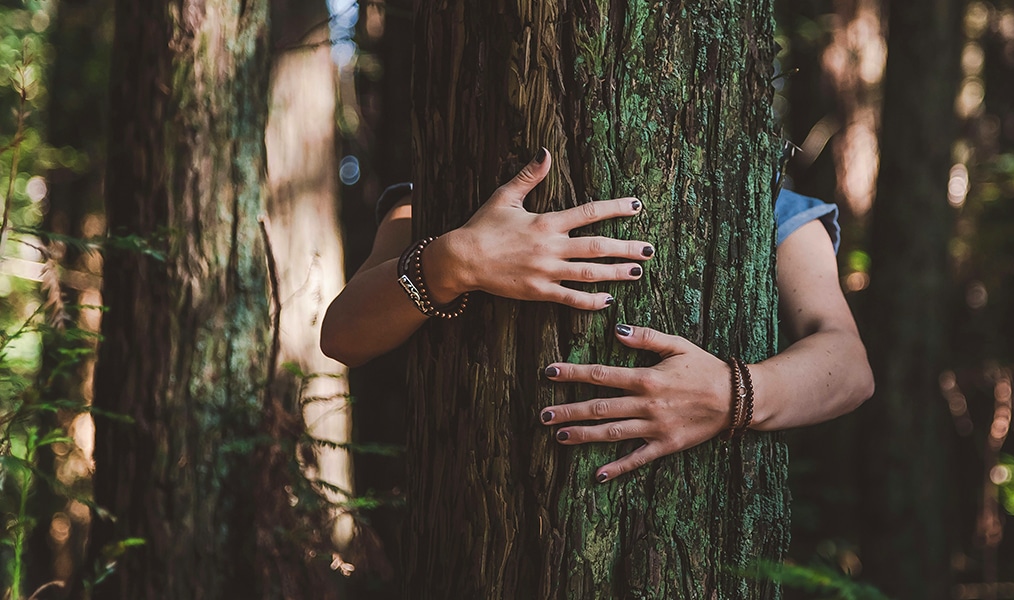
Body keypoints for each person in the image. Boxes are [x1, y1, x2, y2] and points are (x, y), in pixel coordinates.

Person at [321, 148, 873, 482]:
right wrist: (455, 259)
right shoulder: (438, 190)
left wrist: (731, 394)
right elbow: (344, 334)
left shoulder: (766, 204)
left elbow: (848, 366)